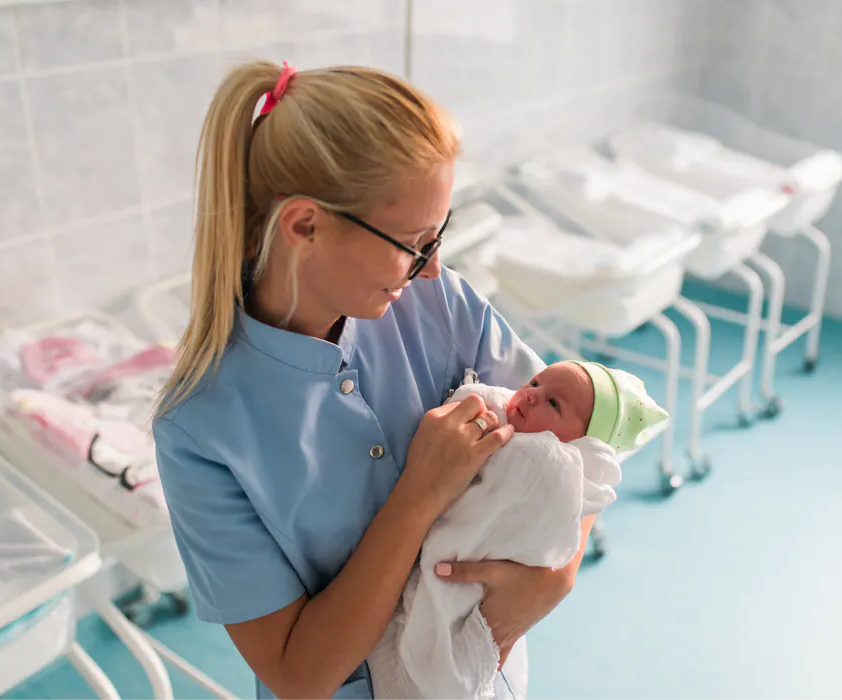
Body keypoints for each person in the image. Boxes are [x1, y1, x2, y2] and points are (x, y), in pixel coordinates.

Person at [152, 60, 597, 700]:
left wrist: (554, 580)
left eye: (439, 234)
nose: (431, 267)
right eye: (414, 243)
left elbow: (583, 446)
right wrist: (419, 494)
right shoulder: (199, 428)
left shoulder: (441, 303)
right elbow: (299, 675)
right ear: (304, 225)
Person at [369, 362, 668, 699]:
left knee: (435, 654)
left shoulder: (549, 465)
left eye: (553, 403)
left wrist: (555, 582)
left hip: (473, 588)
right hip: (427, 573)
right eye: (536, 383)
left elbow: (557, 509)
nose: (530, 395)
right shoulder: (506, 414)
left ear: (583, 446)